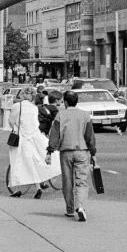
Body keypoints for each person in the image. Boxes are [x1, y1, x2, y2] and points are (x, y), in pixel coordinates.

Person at [46, 90, 96, 221]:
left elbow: (54, 135)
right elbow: (90, 136)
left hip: (66, 152)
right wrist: (93, 152)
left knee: (67, 181)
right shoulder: (85, 115)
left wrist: (49, 151)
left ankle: (69, 209)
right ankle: (80, 206)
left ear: (65, 102)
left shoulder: (60, 116)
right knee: (82, 181)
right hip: (82, 152)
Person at [7, 87, 61, 198]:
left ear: (22, 95)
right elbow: (35, 124)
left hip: (21, 138)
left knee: (18, 162)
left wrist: (15, 128)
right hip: (34, 137)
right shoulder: (34, 108)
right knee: (33, 163)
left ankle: (17, 189)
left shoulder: (17, 107)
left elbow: (11, 121)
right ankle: (38, 187)